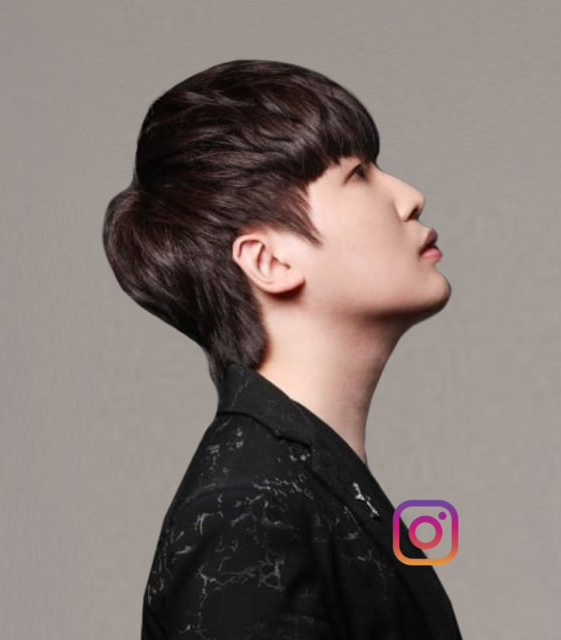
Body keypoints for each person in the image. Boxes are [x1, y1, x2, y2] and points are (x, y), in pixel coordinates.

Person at [103, 59, 461, 639]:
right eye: (358, 174)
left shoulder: (307, 482)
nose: (410, 197)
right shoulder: (245, 510)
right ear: (269, 261)